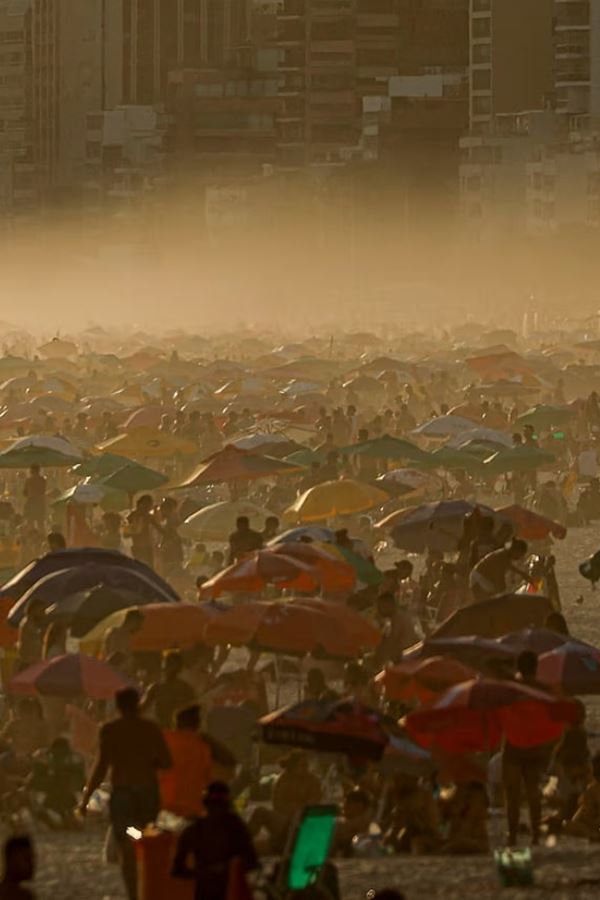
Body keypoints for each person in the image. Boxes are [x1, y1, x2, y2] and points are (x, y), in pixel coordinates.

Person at [79, 688, 172, 900]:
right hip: (147, 793)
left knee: (126, 841)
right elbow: (166, 762)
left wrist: (85, 799)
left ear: (118, 707)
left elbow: (101, 767)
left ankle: (133, 893)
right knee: (147, 842)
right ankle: (148, 888)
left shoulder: (110, 730)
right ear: (138, 704)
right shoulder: (151, 729)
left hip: (123, 795)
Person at [172, 782, 257, 900]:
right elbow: (252, 862)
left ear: (205, 803)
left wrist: (202, 874)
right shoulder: (235, 826)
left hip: (206, 891)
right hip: (230, 891)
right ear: (227, 803)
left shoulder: (194, 829)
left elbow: (177, 870)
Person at [160, 704, 236, 819]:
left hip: (163, 808)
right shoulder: (202, 747)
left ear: (176, 723)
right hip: (193, 811)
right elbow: (229, 761)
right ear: (198, 725)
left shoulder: (164, 738)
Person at [502, 652, 547, 847]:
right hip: (535, 745)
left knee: (512, 794)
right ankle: (536, 835)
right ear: (536, 667)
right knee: (533, 792)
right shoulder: (542, 690)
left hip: (513, 743)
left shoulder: (511, 688)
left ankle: (512, 835)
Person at [248, 751, 322, 853]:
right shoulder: (283, 779)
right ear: (293, 766)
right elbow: (277, 805)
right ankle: (243, 842)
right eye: (303, 765)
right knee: (260, 812)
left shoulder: (313, 781)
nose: (306, 768)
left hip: (302, 825)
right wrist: (291, 810)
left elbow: (313, 805)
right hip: (284, 822)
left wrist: (296, 809)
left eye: (306, 765)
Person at [28, 737, 85, 829]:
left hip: (55, 792)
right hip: (63, 792)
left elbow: (36, 776)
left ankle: (65, 821)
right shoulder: (72, 761)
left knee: (63, 809)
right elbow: (81, 777)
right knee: (66, 809)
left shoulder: (48, 760)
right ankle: (66, 821)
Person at [141, 651, 197, 729]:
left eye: (171, 664)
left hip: (176, 731)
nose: (169, 668)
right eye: (168, 664)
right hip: (168, 731)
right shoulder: (157, 688)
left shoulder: (186, 689)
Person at [440, 781, 490, 854]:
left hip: (474, 839)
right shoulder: (455, 793)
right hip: (458, 838)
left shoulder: (476, 794)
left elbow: (471, 819)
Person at [564, 752, 600, 840]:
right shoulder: (592, 789)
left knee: (568, 824)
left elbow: (580, 818)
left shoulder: (593, 789)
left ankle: (595, 835)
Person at [333, 788, 372, 856]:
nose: (344, 807)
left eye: (348, 803)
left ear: (359, 806)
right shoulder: (343, 823)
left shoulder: (360, 823)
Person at [127, 495, 157, 568]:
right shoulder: (133, 516)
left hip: (146, 546)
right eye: (148, 505)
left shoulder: (148, 516)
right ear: (141, 504)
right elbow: (127, 532)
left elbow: (159, 528)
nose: (149, 507)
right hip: (139, 546)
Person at [23, 466, 46, 530]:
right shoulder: (42, 480)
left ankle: (31, 535)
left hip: (31, 502)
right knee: (40, 522)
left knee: (30, 522)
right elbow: (43, 490)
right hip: (40, 502)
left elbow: (24, 492)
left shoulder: (29, 480)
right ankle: (42, 536)